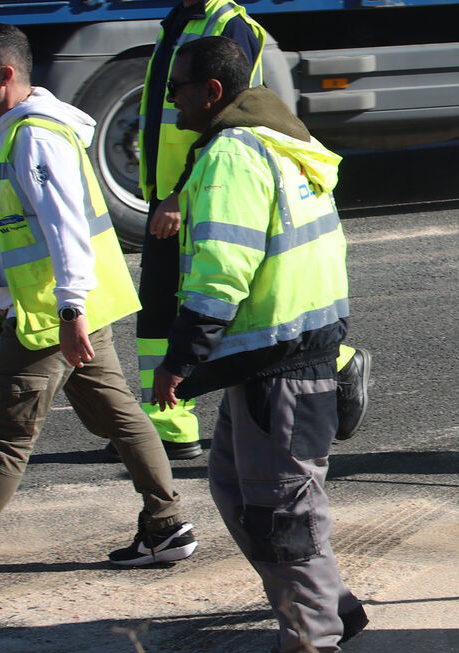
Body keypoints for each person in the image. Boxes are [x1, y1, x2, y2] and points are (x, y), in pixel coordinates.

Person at [0, 23, 197, 590]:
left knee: (9, 436)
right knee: (123, 420)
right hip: (67, 310)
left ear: (4, 75)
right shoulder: (19, 132)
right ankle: (166, 526)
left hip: (51, 319)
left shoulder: (35, 138)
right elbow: (17, 225)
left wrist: (68, 311)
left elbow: (65, 229)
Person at [152, 36, 367, 653]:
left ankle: (311, 652)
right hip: (292, 356)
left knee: (282, 511)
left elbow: (221, 276)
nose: (170, 98)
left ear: (212, 92)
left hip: (281, 366)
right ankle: (330, 607)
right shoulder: (280, 139)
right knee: (234, 486)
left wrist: (179, 361)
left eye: (178, 86)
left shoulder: (232, 155)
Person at [120, 0, 370, 463]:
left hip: (199, 187)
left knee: (212, 296)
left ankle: (334, 362)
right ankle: (170, 424)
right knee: (159, 306)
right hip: (176, 187)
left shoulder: (229, 25)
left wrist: (178, 192)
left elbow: (226, 110)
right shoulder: (177, 20)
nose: (176, 95)